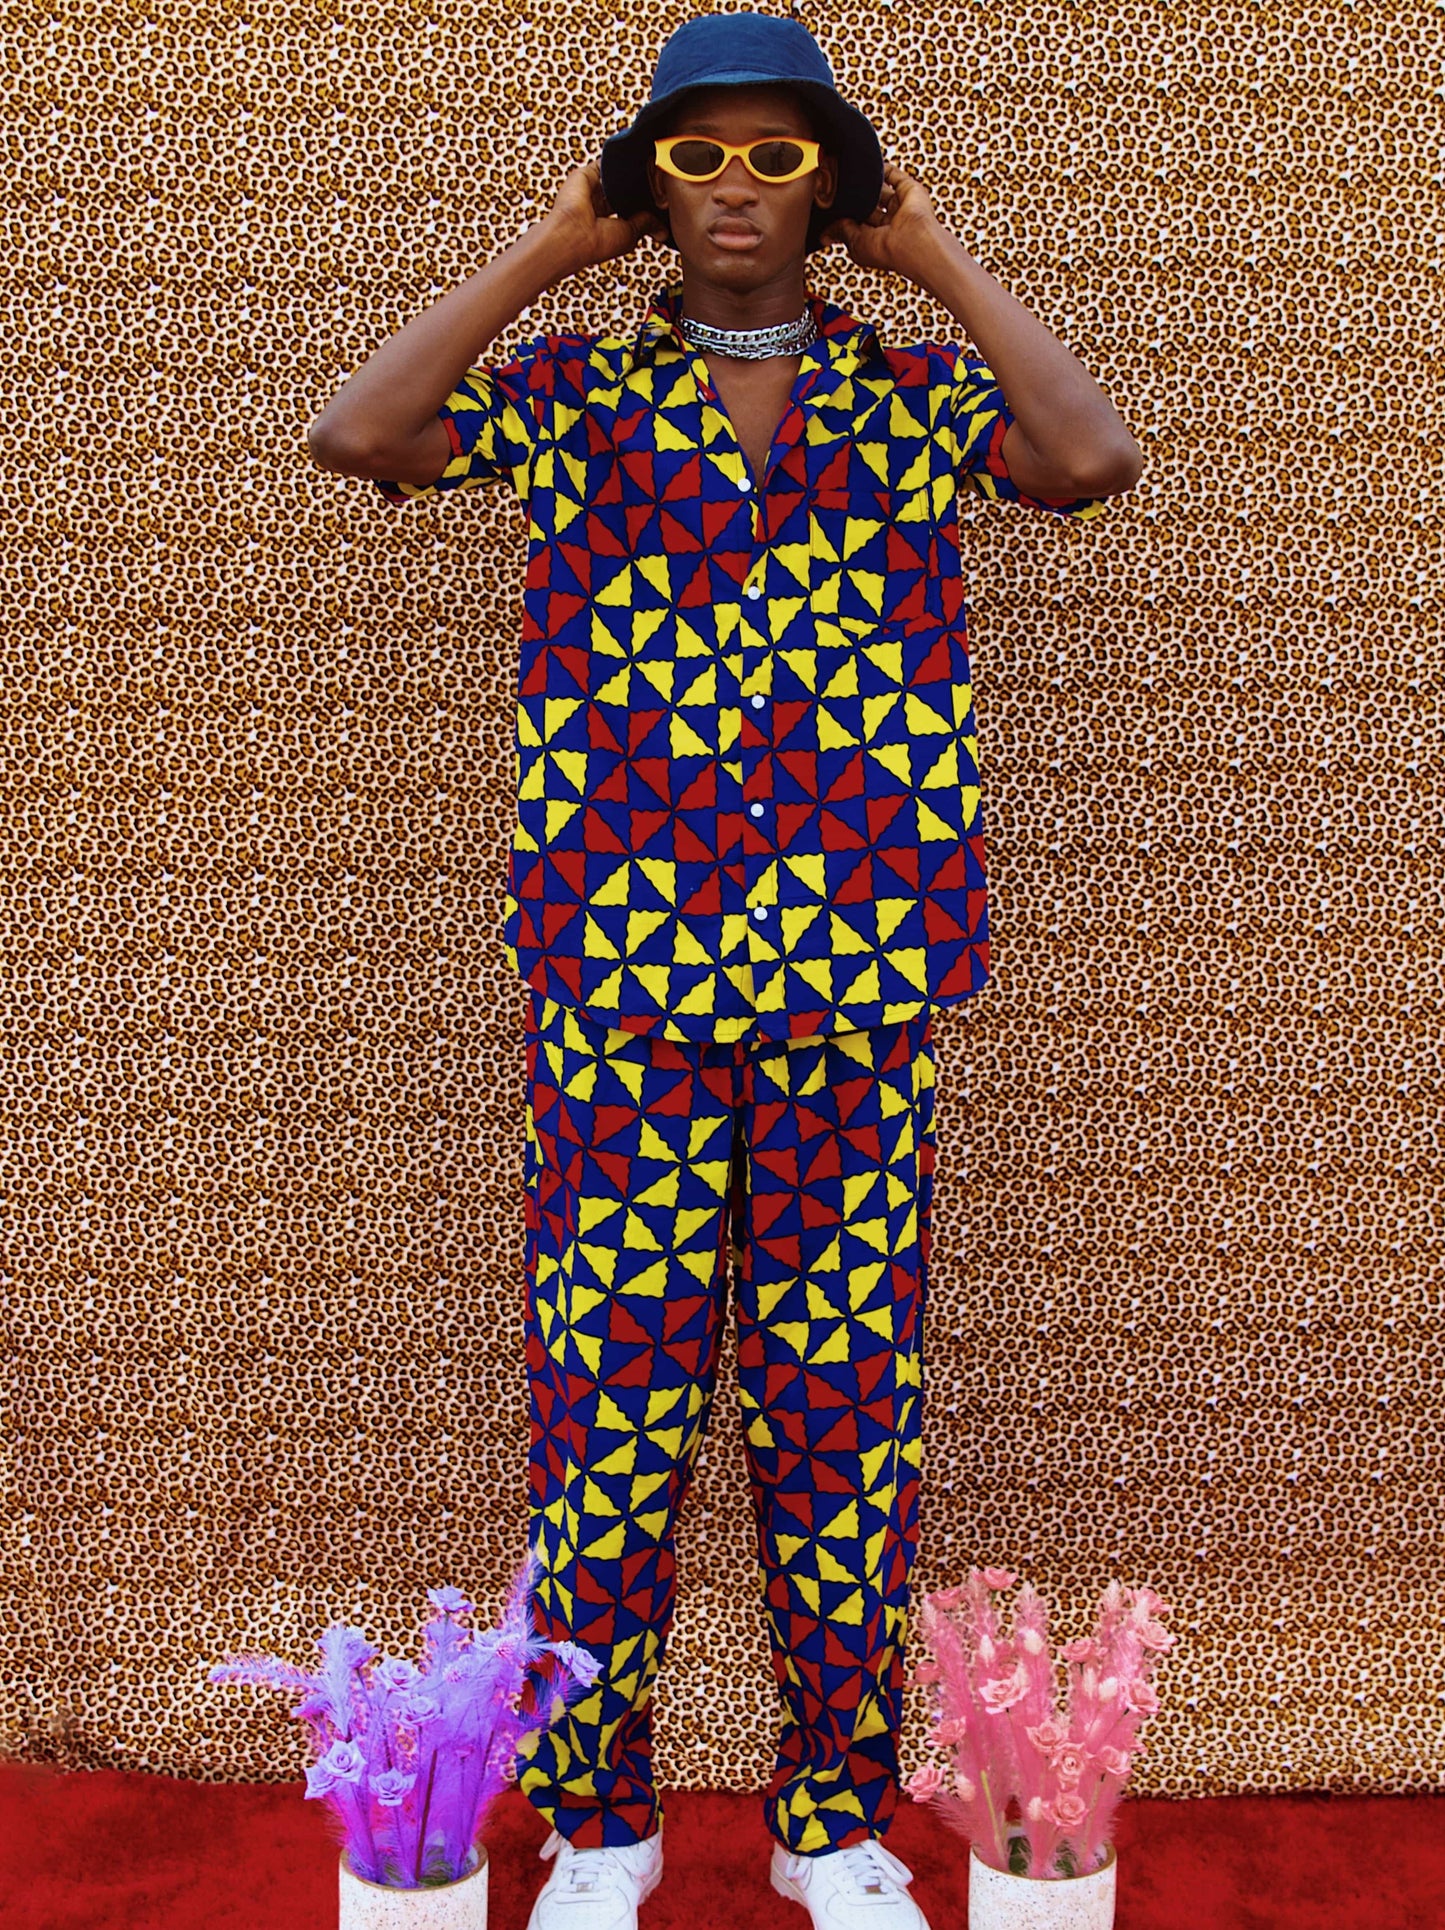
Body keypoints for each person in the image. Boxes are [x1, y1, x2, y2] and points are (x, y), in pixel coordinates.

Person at [308, 13, 1141, 1928]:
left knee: (844, 1420)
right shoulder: (573, 398)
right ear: (649, 186)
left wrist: (927, 249)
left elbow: (1086, 458)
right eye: (699, 156)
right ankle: (600, 1823)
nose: (740, 189)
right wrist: (552, 246)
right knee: (608, 1420)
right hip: (623, 990)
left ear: (832, 186)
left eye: (782, 156)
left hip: (856, 984)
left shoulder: (910, 396)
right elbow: (363, 433)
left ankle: (826, 1823)